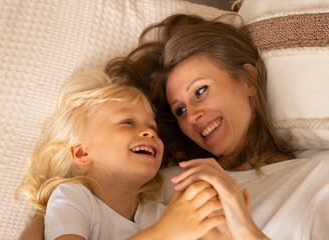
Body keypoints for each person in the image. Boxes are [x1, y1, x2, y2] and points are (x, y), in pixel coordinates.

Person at [105, 14, 329, 240]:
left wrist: (243, 225)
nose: (192, 116)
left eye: (200, 92)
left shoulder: (318, 177)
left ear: (247, 81)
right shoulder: (163, 184)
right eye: (180, 110)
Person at [16, 69, 229, 240]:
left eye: (152, 127)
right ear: (82, 152)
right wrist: (162, 233)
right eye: (128, 122)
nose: (150, 132)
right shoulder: (72, 199)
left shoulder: (158, 213)